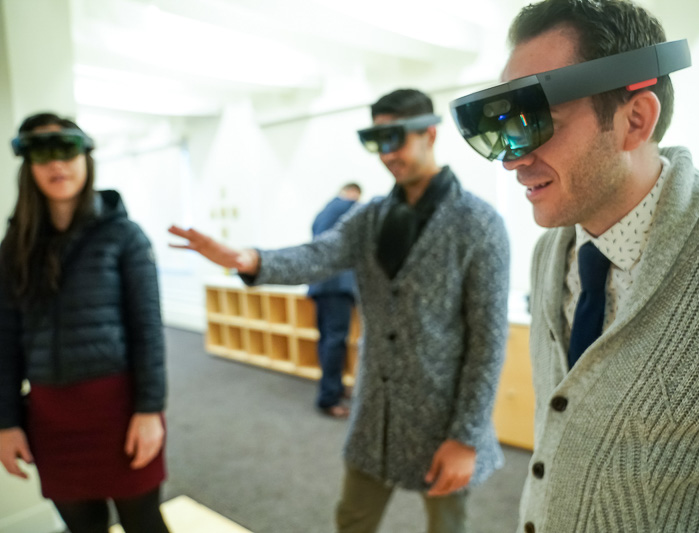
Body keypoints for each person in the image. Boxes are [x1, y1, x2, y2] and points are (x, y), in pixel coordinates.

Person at [449, 1, 699, 532]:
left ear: (635, 120)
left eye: (537, 123)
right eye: (503, 129)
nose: (512, 158)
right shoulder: (553, 248)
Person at [169, 88, 510, 533]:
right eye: (376, 142)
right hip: (376, 413)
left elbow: (488, 341)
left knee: (447, 525)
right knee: (352, 520)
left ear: (429, 133)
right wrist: (246, 259)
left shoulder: (478, 223)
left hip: (443, 415)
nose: (386, 155)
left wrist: (466, 437)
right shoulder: (369, 217)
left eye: (395, 140)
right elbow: (319, 255)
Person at [0, 113, 170, 533]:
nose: (57, 164)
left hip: (119, 407)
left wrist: (150, 410)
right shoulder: (14, 247)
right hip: (50, 416)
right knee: (82, 527)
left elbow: (148, 331)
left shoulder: (125, 236)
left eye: (66, 150)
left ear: (85, 156)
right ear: (29, 166)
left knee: (144, 522)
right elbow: (4, 342)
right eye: (42, 154)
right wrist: (5, 421)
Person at [309, 182, 362, 419]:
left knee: (327, 340)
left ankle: (335, 388)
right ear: (354, 193)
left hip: (319, 285)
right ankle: (328, 398)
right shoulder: (349, 206)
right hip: (337, 286)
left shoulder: (324, 211)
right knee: (335, 341)